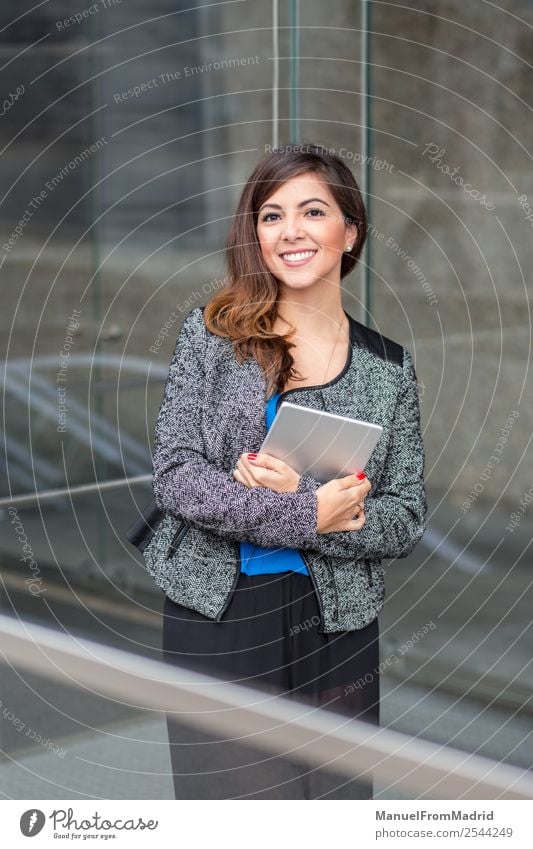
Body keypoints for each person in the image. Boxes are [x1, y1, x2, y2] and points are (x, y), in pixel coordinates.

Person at [152, 143, 427, 799]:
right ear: (255, 234)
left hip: (336, 621)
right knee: (239, 811)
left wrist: (311, 502)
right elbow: (177, 475)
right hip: (220, 614)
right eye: (271, 215)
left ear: (349, 230)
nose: (291, 231)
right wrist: (307, 513)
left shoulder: (388, 369)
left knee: (333, 809)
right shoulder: (211, 337)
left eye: (311, 211)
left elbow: (404, 514)